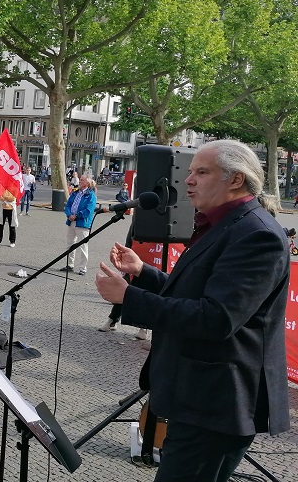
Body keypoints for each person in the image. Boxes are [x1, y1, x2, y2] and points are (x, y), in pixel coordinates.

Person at [94, 140, 290, 482]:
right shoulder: (223, 224)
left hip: (219, 405)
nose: (188, 180)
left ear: (235, 179)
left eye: (202, 172)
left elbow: (216, 318)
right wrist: (143, 272)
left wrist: (129, 298)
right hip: (198, 399)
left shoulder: (256, 235)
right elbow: (195, 292)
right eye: (190, 171)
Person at [60, 174, 96, 275]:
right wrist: (69, 214)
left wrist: (76, 215)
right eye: (80, 180)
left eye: (82, 180)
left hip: (82, 223)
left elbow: (89, 210)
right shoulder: (75, 193)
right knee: (70, 243)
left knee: (83, 246)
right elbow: (68, 205)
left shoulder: (91, 195)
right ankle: (70, 264)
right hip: (71, 221)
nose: (80, 182)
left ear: (87, 183)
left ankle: (83, 268)